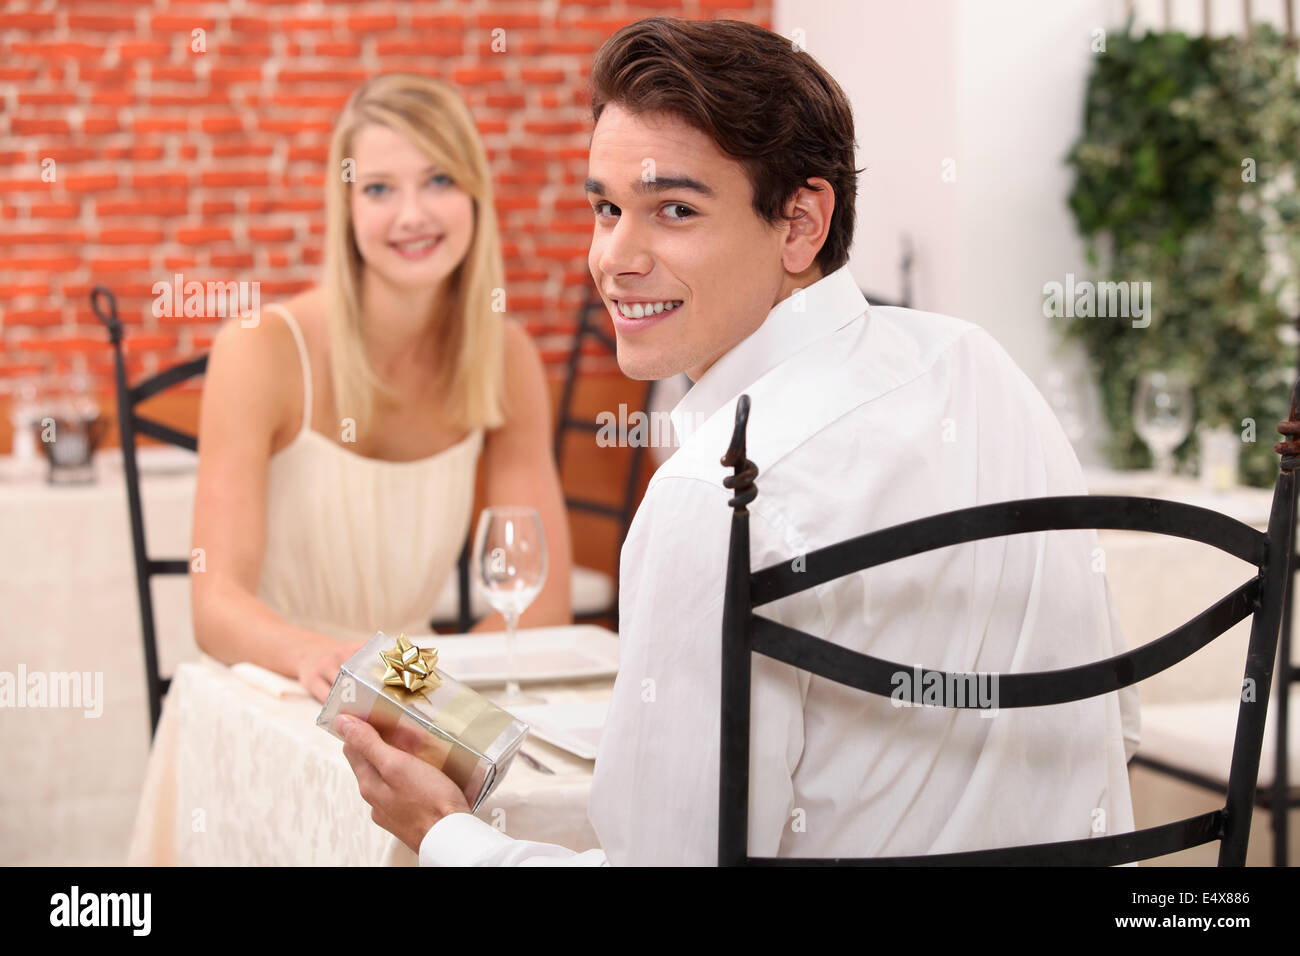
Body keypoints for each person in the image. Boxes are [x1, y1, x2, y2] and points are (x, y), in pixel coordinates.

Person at [337, 18, 1139, 865]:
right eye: (607, 208)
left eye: (673, 210)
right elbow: (1111, 724)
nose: (614, 257)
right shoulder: (982, 368)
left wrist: (443, 834)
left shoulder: (716, 497)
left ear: (801, 225)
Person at [192, 74, 572, 702]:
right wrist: (316, 657)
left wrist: (410, 688)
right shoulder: (259, 347)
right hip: (271, 684)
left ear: (475, 194)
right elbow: (215, 603)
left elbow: (543, 599)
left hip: (407, 689)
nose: (413, 214)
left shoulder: (507, 357)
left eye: (440, 180)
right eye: (378, 189)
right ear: (347, 208)